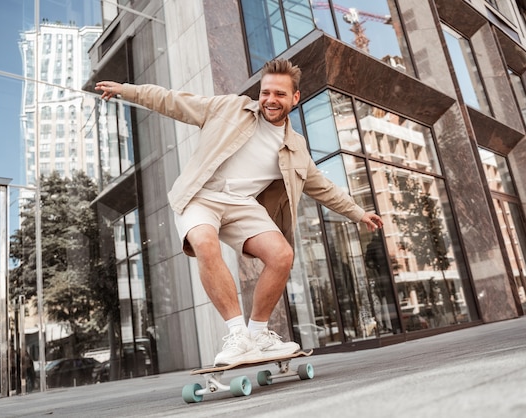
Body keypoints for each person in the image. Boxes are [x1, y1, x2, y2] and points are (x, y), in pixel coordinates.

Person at [95, 59, 384, 366]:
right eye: (266, 92)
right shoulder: (230, 109)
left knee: (282, 255)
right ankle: (237, 336)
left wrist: (357, 213)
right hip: (200, 195)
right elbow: (174, 101)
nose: (271, 100)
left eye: (280, 95)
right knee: (205, 243)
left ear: (295, 98)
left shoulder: (296, 147)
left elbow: (322, 186)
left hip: (241, 205)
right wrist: (129, 91)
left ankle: (258, 334)